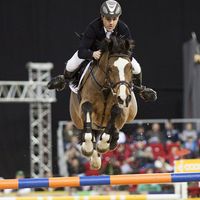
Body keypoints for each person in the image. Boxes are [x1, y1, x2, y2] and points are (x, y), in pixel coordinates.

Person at [47, 0, 157, 102]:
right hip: (94, 53)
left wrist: (123, 57)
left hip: (116, 57)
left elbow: (128, 50)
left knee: (137, 67)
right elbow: (82, 51)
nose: (111, 23)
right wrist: (92, 54)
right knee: (71, 64)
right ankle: (64, 79)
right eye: (108, 19)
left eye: (114, 19)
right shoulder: (93, 27)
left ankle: (140, 89)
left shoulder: (123, 28)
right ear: (102, 16)